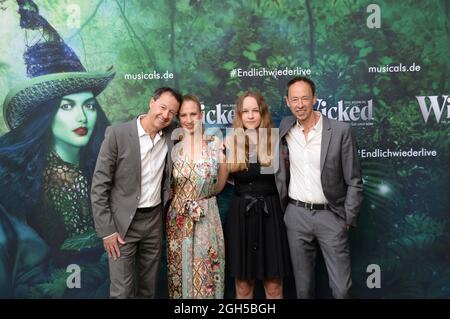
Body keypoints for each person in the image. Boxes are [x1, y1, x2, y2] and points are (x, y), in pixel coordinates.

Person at [0, 0, 114, 298]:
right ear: (46, 115)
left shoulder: (104, 165)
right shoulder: (19, 180)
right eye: (67, 106)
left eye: (88, 105)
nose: (82, 116)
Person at [276, 76, 363, 299]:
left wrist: (347, 218)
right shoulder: (284, 129)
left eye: (305, 98)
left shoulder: (340, 131)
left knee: (341, 290)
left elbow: (354, 180)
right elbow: (251, 138)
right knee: (303, 291)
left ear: (315, 98)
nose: (300, 104)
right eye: (294, 99)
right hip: (296, 216)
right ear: (287, 101)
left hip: (331, 216)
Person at [91, 87, 182, 299]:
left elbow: (195, 133)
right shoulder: (117, 134)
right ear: (151, 102)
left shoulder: (172, 134)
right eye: (162, 107)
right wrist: (107, 231)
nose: (165, 115)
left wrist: (216, 143)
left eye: (172, 112)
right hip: (123, 225)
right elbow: (99, 185)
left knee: (148, 289)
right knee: (122, 291)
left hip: (153, 222)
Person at [225, 91, 291, 299]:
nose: (251, 115)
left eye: (255, 110)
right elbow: (222, 181)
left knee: (274, 287)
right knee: (243, 288)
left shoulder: (276, 141)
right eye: (245, 111)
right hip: (241, 218)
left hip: (270, 216)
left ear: (262, 113)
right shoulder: (230, 143)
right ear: (239, 115)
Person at [166, 94, 227, 299]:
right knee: (180, 275)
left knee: (206, 274)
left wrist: (202, 200)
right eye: (183, 115)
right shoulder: (172, 148)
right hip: (178, 221)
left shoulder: (214, 146)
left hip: (207, 219)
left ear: (201, 115)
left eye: (193, 114)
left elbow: (219, 185)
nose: (189, 119)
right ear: (178, 118)